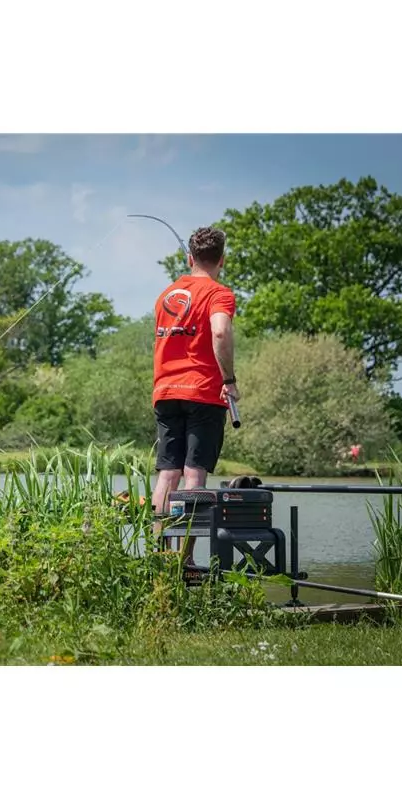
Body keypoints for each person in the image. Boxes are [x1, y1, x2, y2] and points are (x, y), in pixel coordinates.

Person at [150, 226, 240, 555]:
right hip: (202, 391)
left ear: (190, 258)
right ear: (222, 260)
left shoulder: (166, 295)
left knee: (167, 474)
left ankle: (159, 557)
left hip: (165, 391)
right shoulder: (219, 293)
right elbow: (220, 332)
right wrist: (229, 380)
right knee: (194, 474)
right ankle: (184, 561)